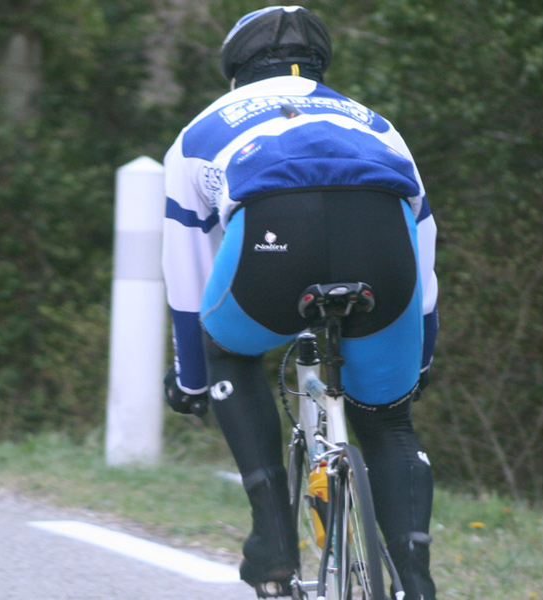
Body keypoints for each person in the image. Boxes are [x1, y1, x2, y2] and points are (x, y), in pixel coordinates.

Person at [160, 6, 439, 599]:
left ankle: (272, 541)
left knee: (225, 349)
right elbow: (424, 246)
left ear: (234, 70)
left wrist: (191, 378)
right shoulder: (376, 124)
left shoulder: (199, 133)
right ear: (320, 69)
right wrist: (419, 358)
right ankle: (416, 584)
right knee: (388, 420)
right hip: (380, 244)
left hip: (274, 241)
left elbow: (190, 281)